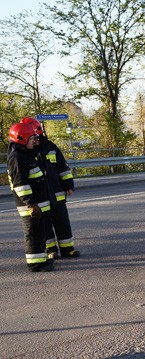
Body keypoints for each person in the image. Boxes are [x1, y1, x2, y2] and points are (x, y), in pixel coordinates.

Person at [21, 117, 80, 259]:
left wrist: (69, 185)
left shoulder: (51, 147)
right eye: (32, 137)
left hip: (57, 193)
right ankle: (51, 251)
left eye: (36, 136)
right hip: (41, 196)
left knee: (63, 223)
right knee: (45, 225)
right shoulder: (27, 152)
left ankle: (68, 249)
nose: (35, 140)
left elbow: (63, 168)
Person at [7, 122, 53, 272]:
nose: (35, 141)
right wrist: (31, 204)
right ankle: (35, 263)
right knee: (33, 233)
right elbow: (20, 184)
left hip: (35, 203)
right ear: (22, 139)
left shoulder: (27, 155)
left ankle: (41, 259)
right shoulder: (17, 157)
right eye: (32, 138)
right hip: (30, 205)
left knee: (39, 232)